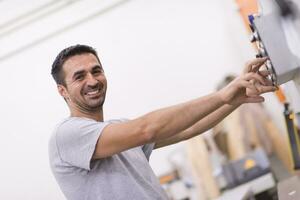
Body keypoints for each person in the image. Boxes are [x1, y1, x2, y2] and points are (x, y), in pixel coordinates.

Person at [48, 44, 276, 200]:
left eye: (96, 71)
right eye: (80, 76)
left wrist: (235, 99)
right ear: (62, 91)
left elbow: (189, 128)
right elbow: (147, 129)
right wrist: (221, 95)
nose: (92, 80)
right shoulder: (67, 135)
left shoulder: (119, 130)